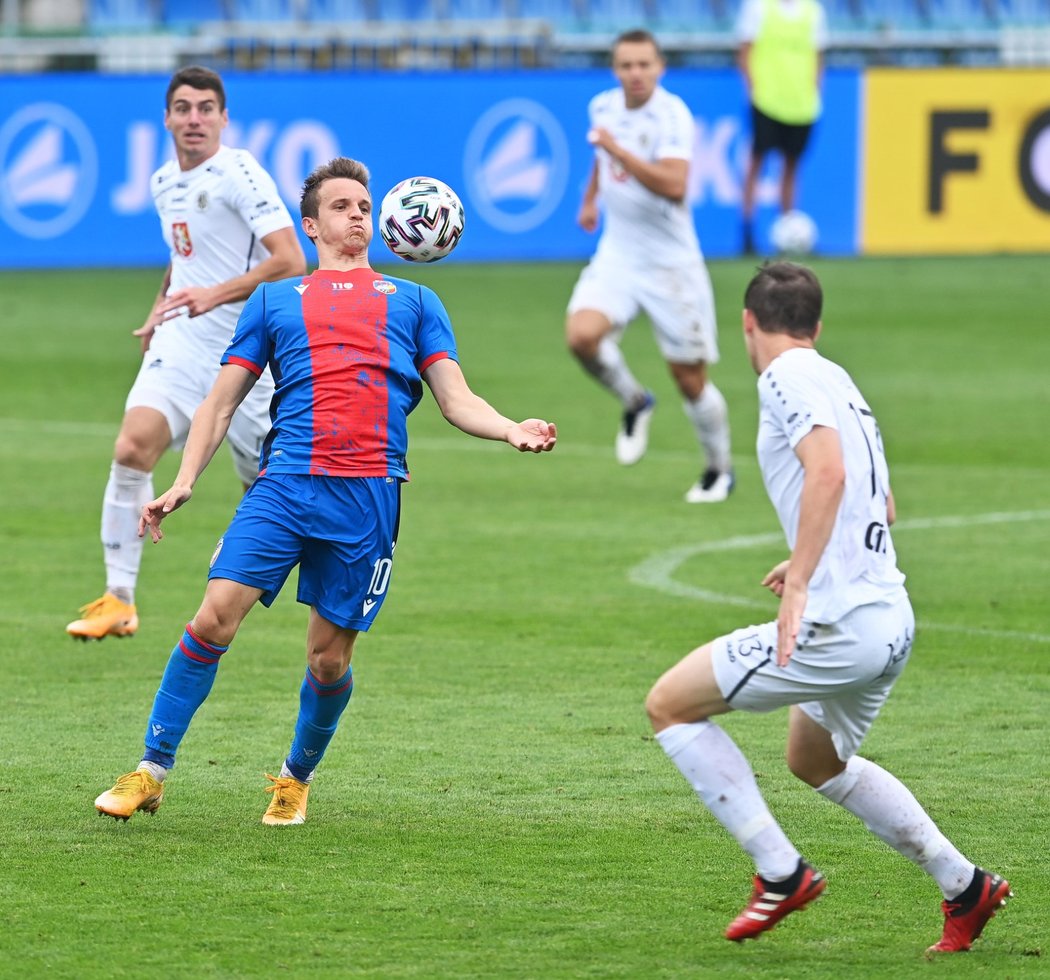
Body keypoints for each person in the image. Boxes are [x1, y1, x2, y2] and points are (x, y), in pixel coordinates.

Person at [94, 156, 557, 827]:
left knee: (328, 659)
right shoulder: (275, 300)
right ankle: (151, 769)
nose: (357, 216)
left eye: (364, 207)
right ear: (311, 225)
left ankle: (293, 778)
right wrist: (185, 479)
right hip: (284, 485)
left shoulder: (417, 303)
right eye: (341, 207)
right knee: (211, 618)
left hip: (367, 498)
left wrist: (510, 428)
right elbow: (221, 403)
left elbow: (456, 399)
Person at [645, 262, 1011, 952]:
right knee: (814, 759)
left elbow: (831, 472)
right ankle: (965, 885)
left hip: (841, 625)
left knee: (669, 705)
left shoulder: (783, 377)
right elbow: (884, 503)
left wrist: (807, 578)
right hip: (890, 617)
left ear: (748, 323)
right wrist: (814, 555)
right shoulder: (838, 379)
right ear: (817, 325)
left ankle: (780, 872)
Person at [66, 65, 307, 641]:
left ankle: (255, 588)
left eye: (205, 108)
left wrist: (213, 295)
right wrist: (159, 309)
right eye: (183, 108)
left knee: (263, 487)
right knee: (132, 446)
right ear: (167, 118)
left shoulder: (240, 172)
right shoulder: (162, 181)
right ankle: (118, 600)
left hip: (247, 351)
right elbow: (184, 257)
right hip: (181, 342)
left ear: (224, 117)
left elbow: (290, 260)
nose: (194, 118)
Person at [566, 28, 733, 504]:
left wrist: (619, 150)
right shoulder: (603, 107)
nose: (635, 74)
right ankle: (636, 401)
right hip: (618, 253)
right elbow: (601, 160)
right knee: (581, 337)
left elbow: (675, 185)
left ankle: (718, 470)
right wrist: (591, 199)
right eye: (626, 65)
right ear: (615, 69)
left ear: (660, 68)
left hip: (671, 264)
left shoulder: (672, 115)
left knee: (690, 379)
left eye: (644, 64)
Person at [736, 0, 827, 254]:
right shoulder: (757, 7)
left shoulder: (813, 10)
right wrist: (754, 89)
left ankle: (788, 231)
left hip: (801, 104)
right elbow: (745, 52)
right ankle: (747, 232)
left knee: (791, 166)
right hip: (766, 100)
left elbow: (818, 56)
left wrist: (816, 92)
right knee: (756, 163)